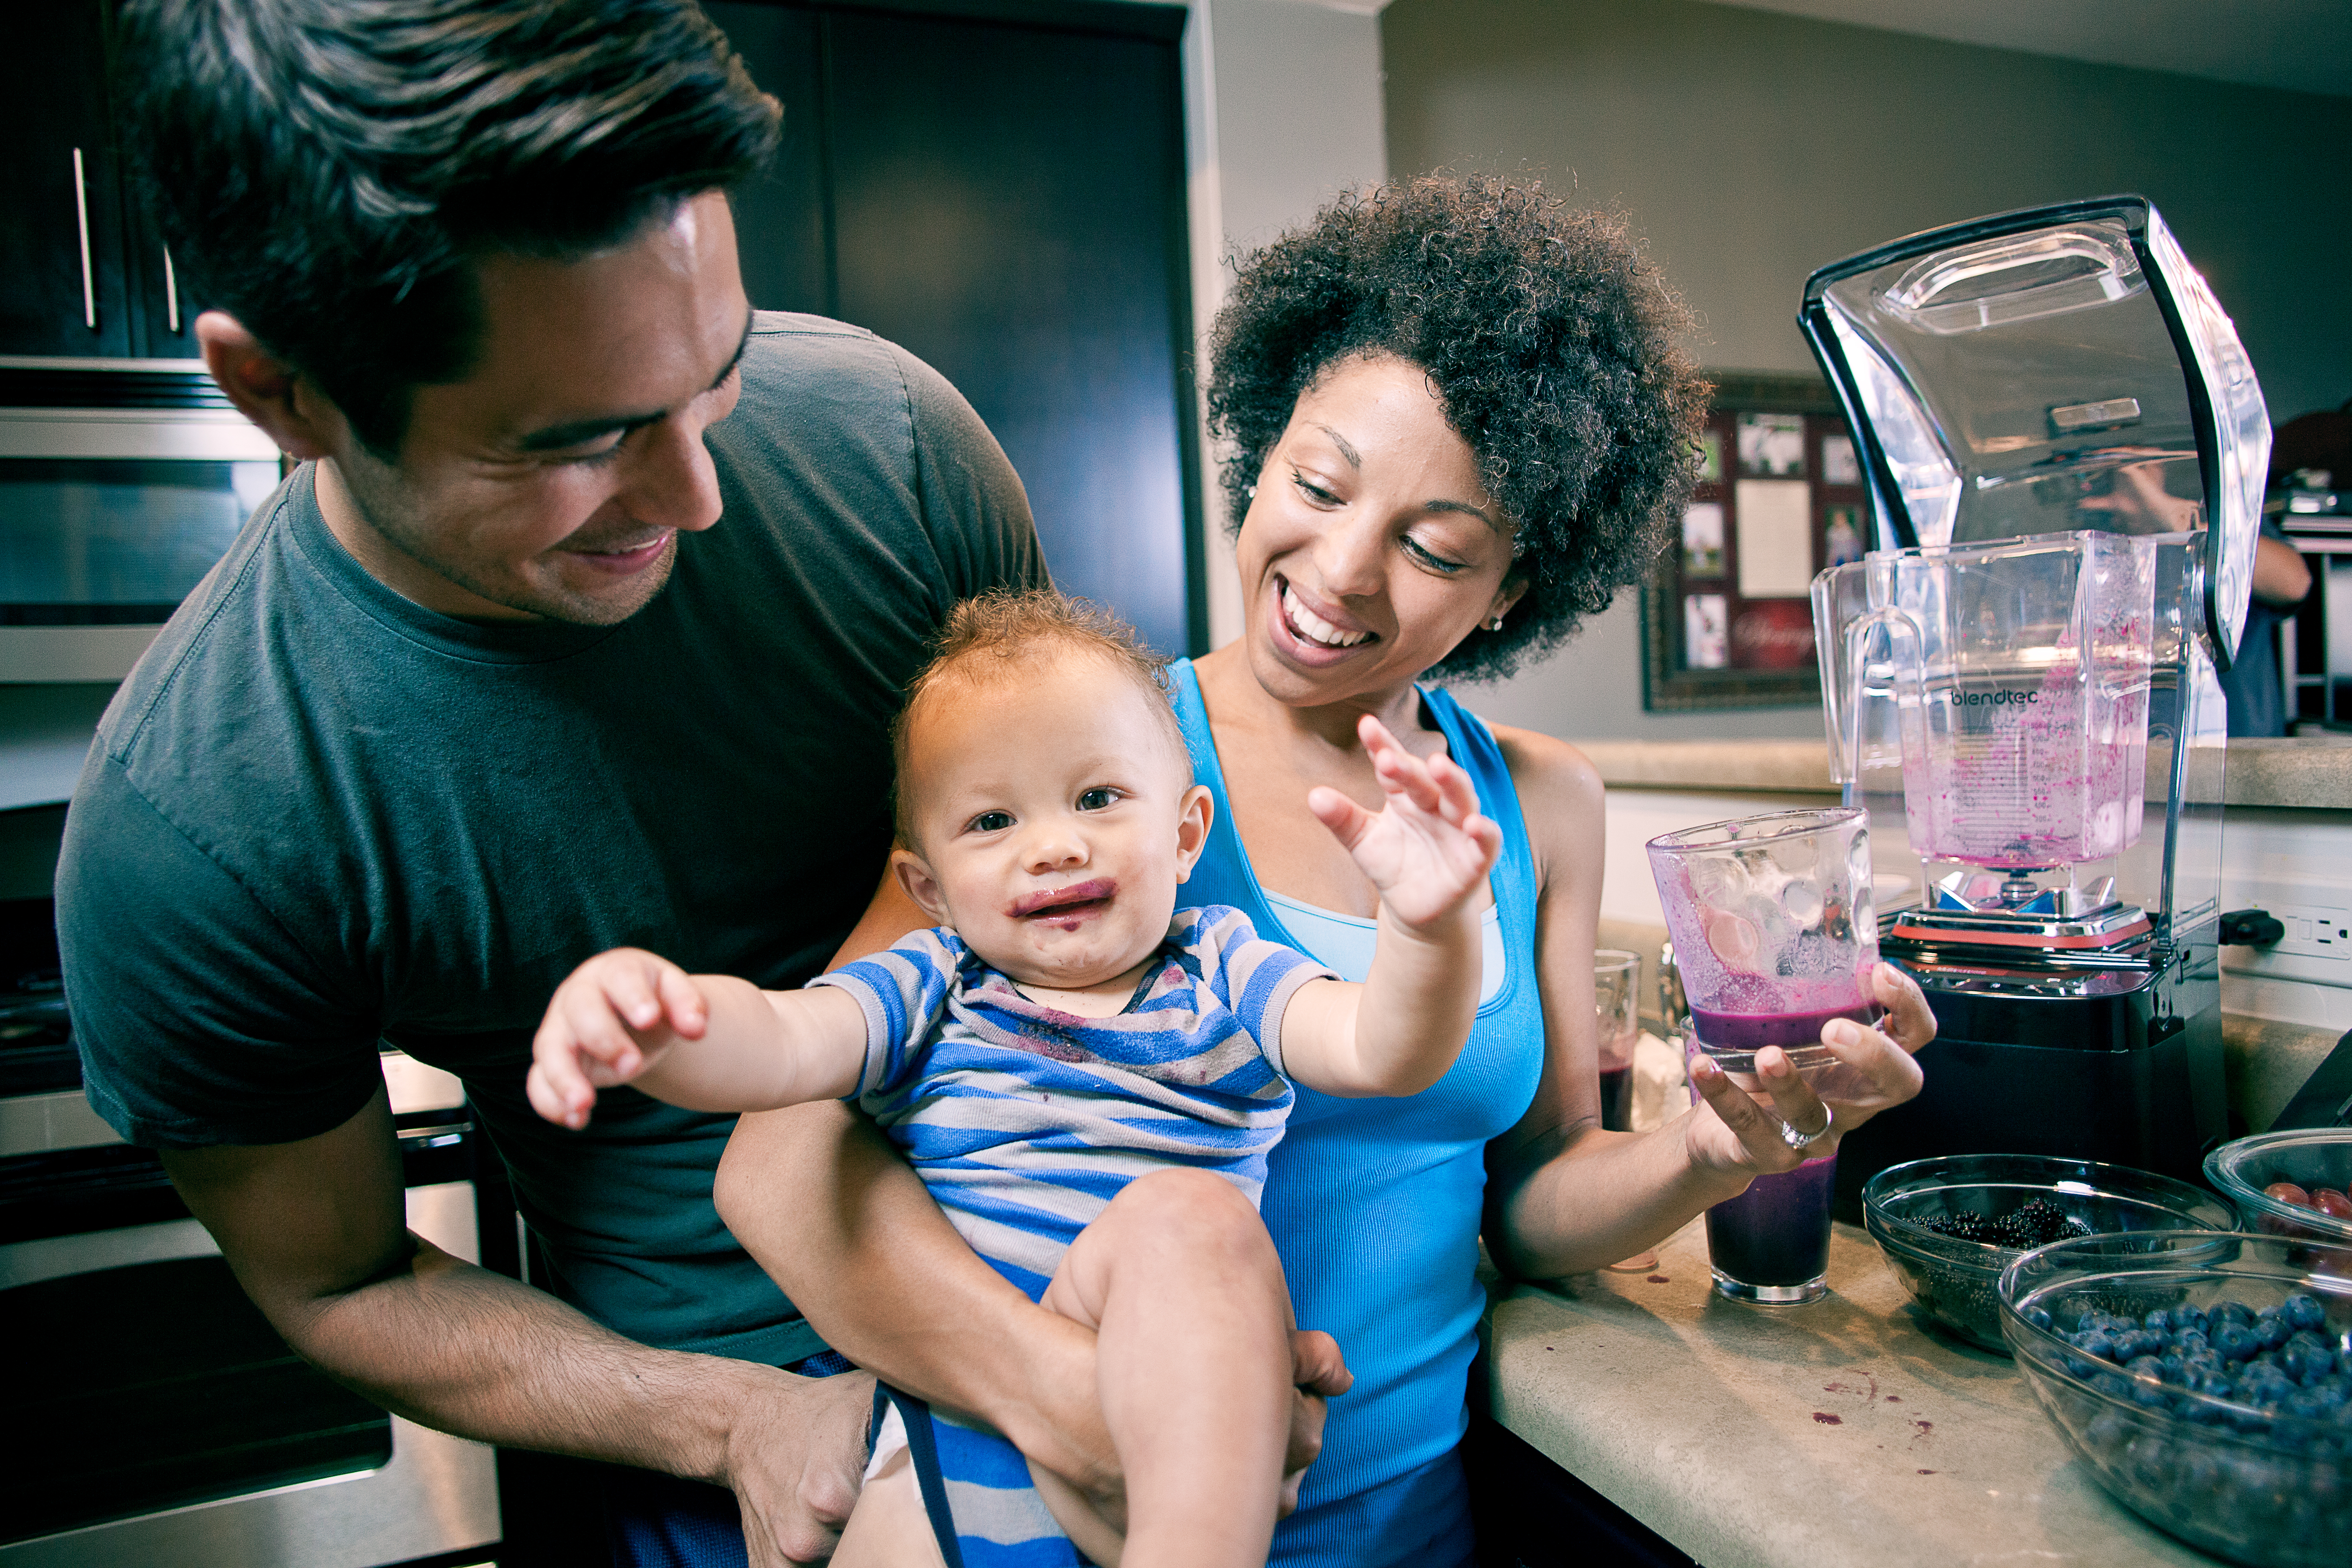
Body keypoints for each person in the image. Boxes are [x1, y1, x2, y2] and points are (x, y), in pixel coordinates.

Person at [717, 175, 1938, 1567]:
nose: (1342, 570)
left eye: (1434, 548)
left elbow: (1530, 1196)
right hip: (1065, 1520)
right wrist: (1061, 1398)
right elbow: (776, 1161)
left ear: (1511, 590)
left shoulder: (1536, 801)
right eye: (1314, 484)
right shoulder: (1096, 767)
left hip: (1403, 1523)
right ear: (1262, 450)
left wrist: (1710, 1151)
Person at [55, 3, 1046, 1563]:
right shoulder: (200, 833)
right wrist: (725, 1418)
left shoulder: (894, 444)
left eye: (714, 374)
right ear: (287, 396)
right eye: (577, 444)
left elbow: (1092, 829)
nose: (696, 493)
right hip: (766, 1412)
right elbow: (340, 1281)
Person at [529, 589, 1504, 1567]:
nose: (1054, 844)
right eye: (993, 820)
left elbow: (1384, 1048)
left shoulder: (1224, 970)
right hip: (941, 1440)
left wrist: (1431, 928)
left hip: (1152, 1458)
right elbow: (784, 1045)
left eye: (1098, 798)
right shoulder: (931, 986)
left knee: (1194, 1223)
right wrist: (660, 1023)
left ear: (1185, 833)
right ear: (930, 891)